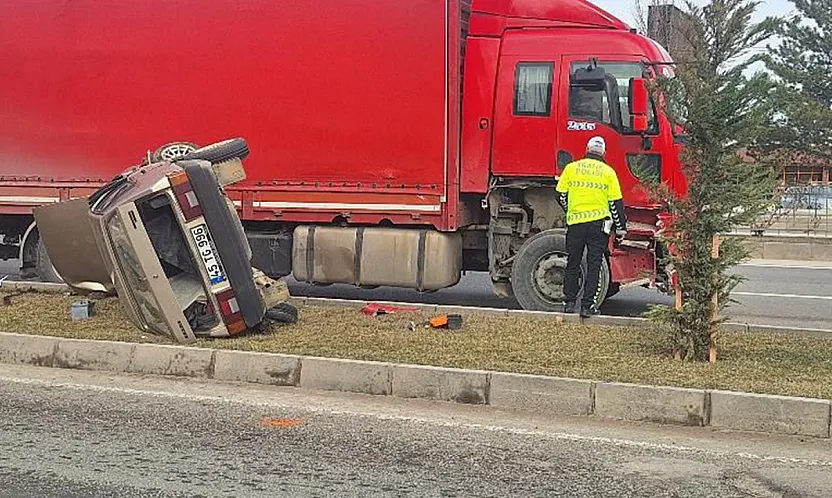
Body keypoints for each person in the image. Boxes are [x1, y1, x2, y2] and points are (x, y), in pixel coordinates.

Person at [555, 136, 627, 317]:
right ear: (604, 153)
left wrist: (570, 210)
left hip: (576, 224)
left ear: (586, 149)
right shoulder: (608, 172)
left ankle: (569, 303)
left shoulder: (571, 169)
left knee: (573, 262)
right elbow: (615, 204)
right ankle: (587, 306)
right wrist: (621, 228)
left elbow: (560, 196)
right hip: (598, 226)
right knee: (594, 264)